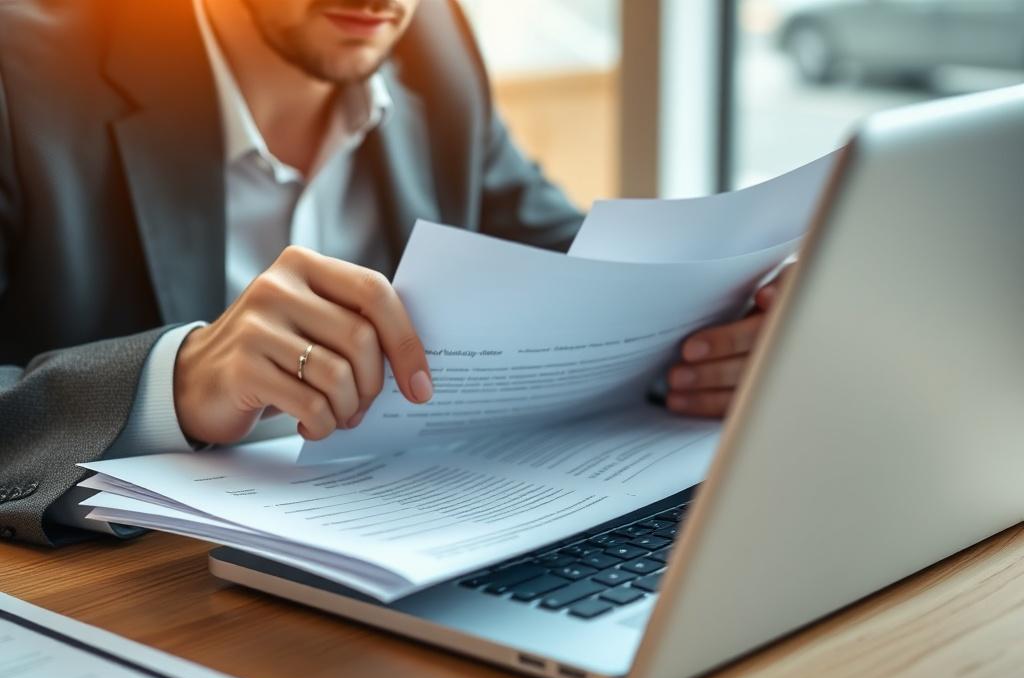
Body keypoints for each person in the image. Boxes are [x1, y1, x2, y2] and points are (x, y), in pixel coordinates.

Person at [0, 0, 784, 546]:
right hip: (134, 604)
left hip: (404, 557)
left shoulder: (430, 41)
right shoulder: (22, 75)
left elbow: (575, 268)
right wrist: (172, 384)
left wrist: (733, 318)